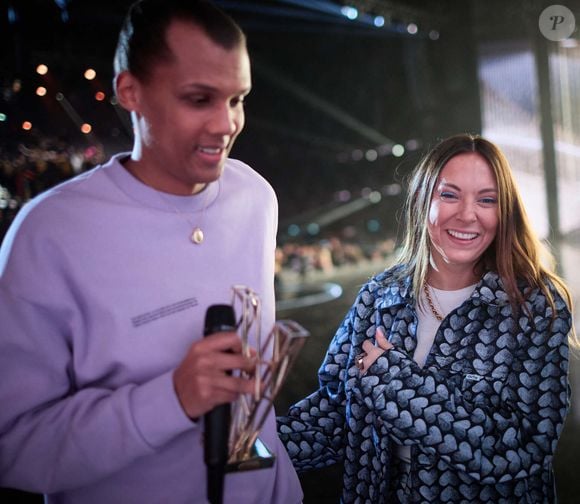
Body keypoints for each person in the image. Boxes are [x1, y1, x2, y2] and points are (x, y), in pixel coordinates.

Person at [0, 1, 302, 502]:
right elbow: (13, 446)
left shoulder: (256, 198)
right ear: (130, 91)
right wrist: (172, 399)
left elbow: (256, 412)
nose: (226, 124)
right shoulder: (49, 233)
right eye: (199, 99)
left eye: (237, 99)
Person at [278, 133, 576, 503]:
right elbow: (336, 414)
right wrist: (250, 446)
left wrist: (395, 381)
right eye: (449, 195)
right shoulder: (377, 296)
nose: (467, 214)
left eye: (487, 200)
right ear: (422, 201)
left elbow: (522, 446)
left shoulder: (534, 307)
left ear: (505, 212)